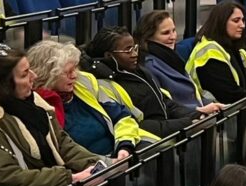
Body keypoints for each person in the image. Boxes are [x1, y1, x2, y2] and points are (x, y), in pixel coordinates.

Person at [0, 45, 102, 186]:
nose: (34, 76)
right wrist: (70, 179)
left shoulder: (34, 103)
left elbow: (62, 143)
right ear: (3, 84)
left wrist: (96, 164)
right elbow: (6, 177)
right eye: (25, 74)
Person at [84, 26, 222, 138]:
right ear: (109, 55)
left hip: (166, 135)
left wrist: (197, 113)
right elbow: (138, 124)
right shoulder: (104, 85)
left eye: (135, 48)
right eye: (128, 50)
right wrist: (187, 122)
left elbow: (165, 103)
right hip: (150, 144)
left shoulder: (138, 71)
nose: (134, 54)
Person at [26, 39, 139, 159]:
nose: (74, 75)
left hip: (118, 153)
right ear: (48, 75)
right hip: (90, 165)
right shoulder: (39, 106)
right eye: (68, 72)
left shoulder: (84, 84)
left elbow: (122, 116)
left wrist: (124, 145)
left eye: (75, 68)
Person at [186, 1, 246, 104]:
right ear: (221, 22)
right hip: (217, 110)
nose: (242, 25)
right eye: (236, 21)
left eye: (243, 20)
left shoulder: (228, 45)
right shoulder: (210, 52)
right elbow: (229, 94)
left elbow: (244, 79)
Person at [136, 10, 213, 111]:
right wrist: (198, 110)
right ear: (148, 37)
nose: (173, 37)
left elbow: (195, 96)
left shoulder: (172, 57)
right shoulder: (149, 66)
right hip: (188, 118)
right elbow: (165, 105)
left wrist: (212, 105)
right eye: (166, 33)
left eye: (174, 30)